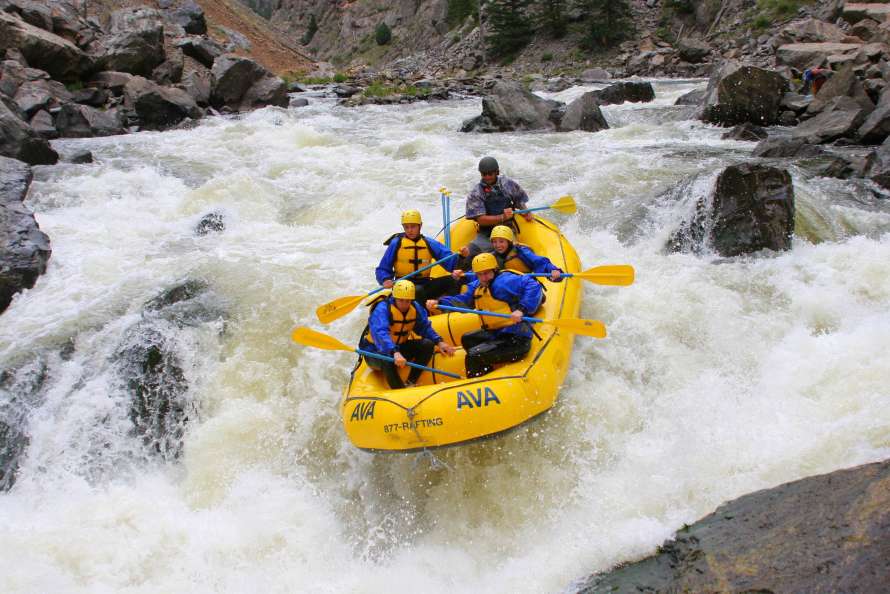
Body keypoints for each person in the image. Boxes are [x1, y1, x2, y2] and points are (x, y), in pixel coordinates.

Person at [426, 253, 543, 378]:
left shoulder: (505, 282)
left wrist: (522, 309)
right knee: (468, 338)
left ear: (494, 270)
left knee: (473, 356)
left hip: (516, 338)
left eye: (486, 273)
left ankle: (477, 380)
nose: (483, 278)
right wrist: (440, 303)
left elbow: (533, 285)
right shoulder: (478, 285)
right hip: (498, 333)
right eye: (480, 274)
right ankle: (487, 371)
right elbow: (462, 299)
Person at [359, 279, 455, 389]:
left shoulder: (414, 307)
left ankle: (411, 382)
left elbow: (424, 327)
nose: (405, 304)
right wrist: (394, 352)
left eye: (408, 301)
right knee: (386, 358)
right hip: (375, 352)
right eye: (401, 300)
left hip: (398, 348)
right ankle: (399, 389)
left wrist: (439, 341)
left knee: (427, 344)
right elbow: (381, 333)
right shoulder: (383, 309)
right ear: (394, 298)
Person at [460, 156, 536, 268]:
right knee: (470, 252)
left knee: (510, 258)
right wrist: (502, 217)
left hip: (507, 230)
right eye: (484, 174)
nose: (487, 177)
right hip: (486, 233)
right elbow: (480, 219)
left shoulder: (508, 184)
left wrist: (525, 211)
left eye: (490, 174)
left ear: (497, 172)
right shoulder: (476, 192)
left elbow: (518, 199)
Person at [376, 209, 464, 303]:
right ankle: (421, 313)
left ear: (420, 226)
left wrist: (462, 257)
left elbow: (450, 262)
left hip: (425, 284)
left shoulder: (429, 243)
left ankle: (449, 309)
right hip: (403, 287)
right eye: (406, 227)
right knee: (417, 290)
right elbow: (382, 269)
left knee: (453, 281)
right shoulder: (396, 243)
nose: (410, 230)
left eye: (413, 227)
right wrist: (385, 279)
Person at [487, 225, 563, 281]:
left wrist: (553, 270)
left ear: (509, 242)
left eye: (501, 241)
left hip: (527, 285)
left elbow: (539, 262)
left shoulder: (521, 251)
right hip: (507, 287)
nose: (498, 245)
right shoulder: (492, 257)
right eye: (494, 242)